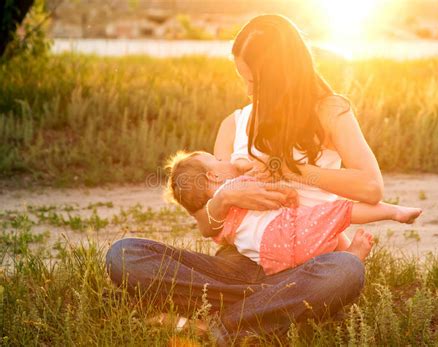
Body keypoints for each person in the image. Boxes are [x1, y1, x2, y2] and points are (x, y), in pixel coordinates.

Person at [106, 14, 396, 344]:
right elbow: (208, 227)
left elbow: (372, 187)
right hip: (236, 268)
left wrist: (296, 171)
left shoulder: (331, 112)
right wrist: (226, 199)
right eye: (244, 80)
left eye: (255, 82)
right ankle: (264, 309)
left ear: (281, 75)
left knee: (345, 270)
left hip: (304, 264)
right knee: (124, 255)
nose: (248, 91)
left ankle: (221, 321)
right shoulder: (233, 124)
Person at [165, 150, 421, 275]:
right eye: (219, 161)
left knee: (323, 232)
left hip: (270, 261)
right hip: (281, 234)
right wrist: (287, 192)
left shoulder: (218, 224)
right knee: (339, 212)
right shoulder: (233, 186)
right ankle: (393, 212)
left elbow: (209, 228)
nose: (226, 161)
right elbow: (265, 183)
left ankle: (347, 256)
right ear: (213, 175)